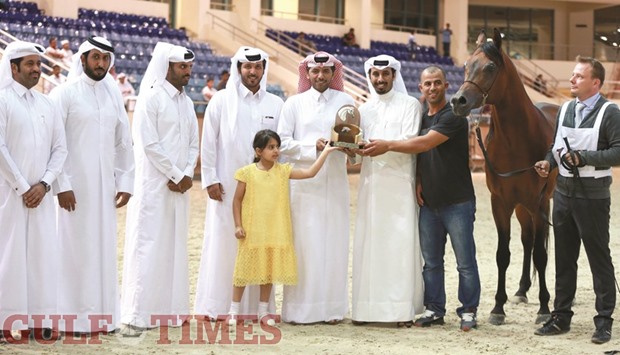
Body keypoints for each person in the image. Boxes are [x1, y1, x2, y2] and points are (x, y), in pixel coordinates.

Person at [362, 65, 480, 331]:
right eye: (427, 84)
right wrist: (418, 181)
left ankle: (469, 310)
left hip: (457, 202)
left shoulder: (454, 116)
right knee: (432, 263)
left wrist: (387, 145)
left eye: (437, 83)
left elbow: (423, 144)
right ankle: (435, 309)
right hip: (429, 203)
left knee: (465, 262)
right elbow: (421, 157)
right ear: (421, 87)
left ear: (446, 85)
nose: (432, 88)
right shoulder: (423, 117)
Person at [49, 36, 135, 335]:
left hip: (104, 191)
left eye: (105, 58)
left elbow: (124, 141)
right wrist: (61, 184)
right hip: (72, 190)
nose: (100, 63)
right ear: (83, 59)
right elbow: (54, 143)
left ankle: (103, 317)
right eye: (95, 57)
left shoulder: (112, 96)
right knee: (73, 250)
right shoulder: (64, 94)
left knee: (102, 249)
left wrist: (125, 180)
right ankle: (69, 318)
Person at [533, 56, 620, 344]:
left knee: (598, 257)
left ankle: (604, 319)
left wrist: (585, 157)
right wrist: (549, 162)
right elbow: (555, 146)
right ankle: (561, 316)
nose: (572, 80)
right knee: (564, 257)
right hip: (563, 193)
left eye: (579, 76)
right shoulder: (566, 108)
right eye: (572, 75)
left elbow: (618, 153)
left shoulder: (611, 112)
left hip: (593, 196)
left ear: (596, 83)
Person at [195, 46, 284, 321]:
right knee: (225, 243)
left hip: (265, 190)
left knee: (260, 245)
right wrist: (210, 178)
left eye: (257, 67)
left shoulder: (276, 104)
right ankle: (219, 307)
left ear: (263, 70)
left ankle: (258, 310)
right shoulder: (220, 101)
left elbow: (281, 148)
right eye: (247, 67)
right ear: (238, 69)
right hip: (227, 187)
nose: (253, 72)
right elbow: (208, 142)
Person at [120, 42, 199, 334]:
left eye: (189, 67)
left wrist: (187, 173)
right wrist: (177, 173)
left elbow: (193, 143)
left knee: (174, 245)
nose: (188, 72)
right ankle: (139, 313)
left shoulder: (188, 103)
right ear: (167, 67)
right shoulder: (150, 99)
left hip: (180, 186)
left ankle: (172, 311)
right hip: (154, 186)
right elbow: (148, 144)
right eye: (182, 67)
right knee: (148, 245)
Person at [228, 130, 341, 326]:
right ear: (258, 151)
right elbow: (236, 201)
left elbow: (310, 172)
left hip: (276, 229)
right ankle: (233, 310)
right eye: (271, 147)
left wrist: (326, 152)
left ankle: (263, 311)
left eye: (277, 147)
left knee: (268, 272)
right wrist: (238, 225)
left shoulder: (283, 171)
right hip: (253, 230)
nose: (276, 151)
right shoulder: (246, 172)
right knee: (242, 272)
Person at [277, 51, 355, 324]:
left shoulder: (346, 102)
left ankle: (332, 309)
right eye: (315, 71)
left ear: (334, 73)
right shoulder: (294, 104)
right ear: (307, 73)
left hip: (335, 184)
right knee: (304, 246)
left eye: (325, 72)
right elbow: (282, 144)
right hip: (303, 188)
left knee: (334, 243)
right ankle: (300, 310)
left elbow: (355, 146)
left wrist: (350, 148)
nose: (320, 76)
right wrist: (314, 146)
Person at [0, 40, 67, 342]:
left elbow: (60, 149)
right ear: (13, 67)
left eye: (38, 64)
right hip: (8, 195)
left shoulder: (47, 104)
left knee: (41, 257)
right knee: (8, 257)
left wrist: (44, 185)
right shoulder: (2, 100)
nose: (36, 70)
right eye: (29, 64)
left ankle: (38, 321)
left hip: (40, 196)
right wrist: (23, 187)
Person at [351, 55, 424, 327]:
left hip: (399, 186)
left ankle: (399, 312)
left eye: (385, 74)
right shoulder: (364, 109)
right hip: (371, 188)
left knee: (398, 246)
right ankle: (366, 311)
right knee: (370, 246)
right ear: (369, 77)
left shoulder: (410, 105)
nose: (380, 79)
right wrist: (351, 150)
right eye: (375, 75)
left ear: (394, 76)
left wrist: (386, 146)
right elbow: (357, 155)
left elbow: (410, 142)